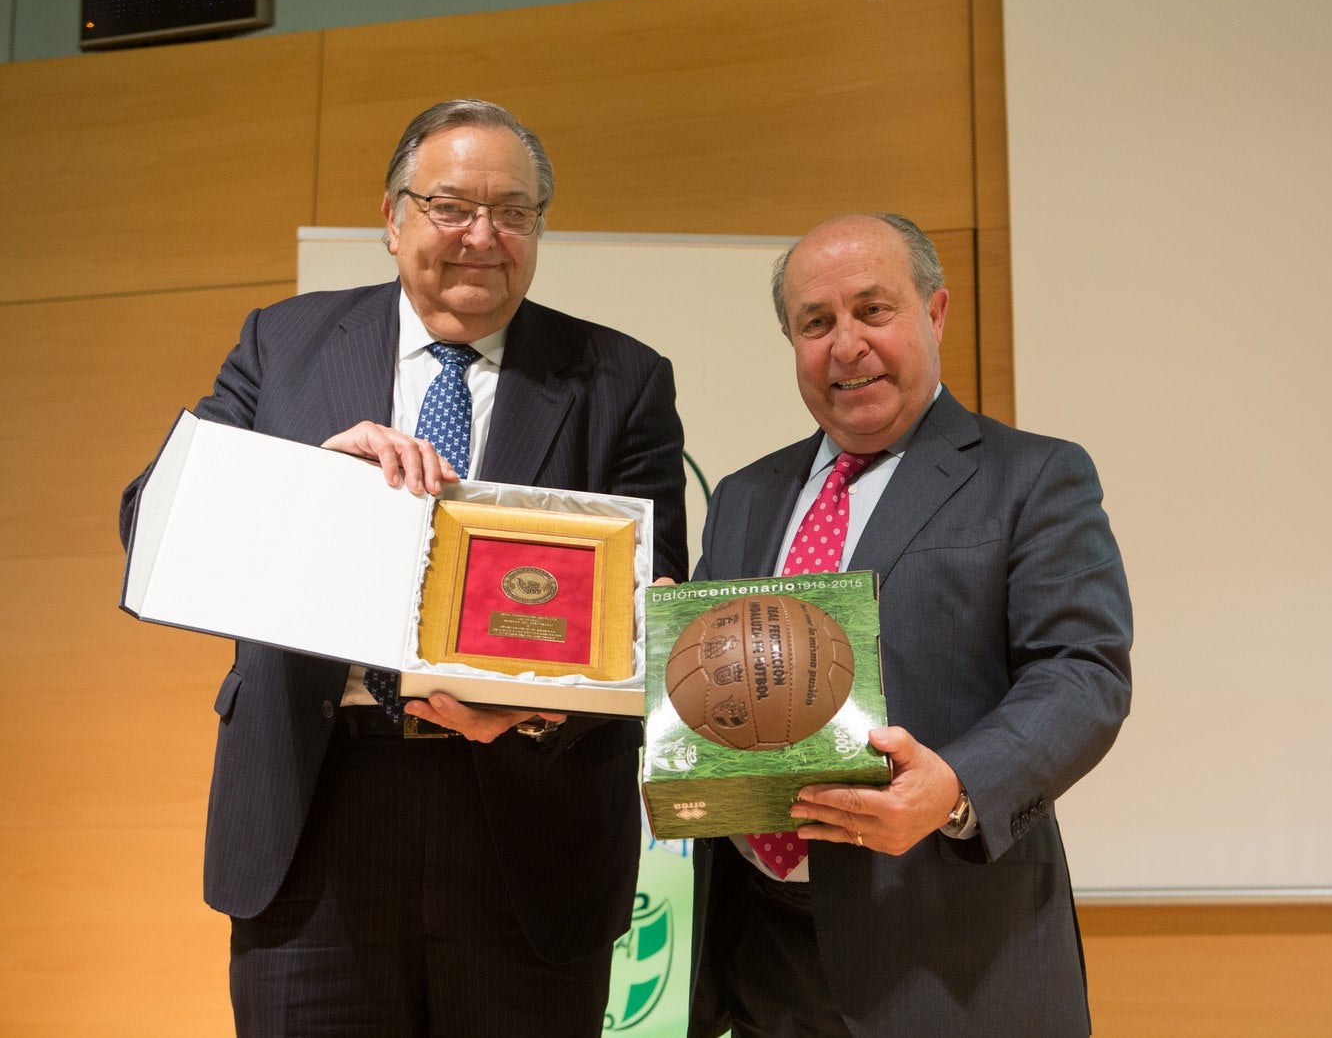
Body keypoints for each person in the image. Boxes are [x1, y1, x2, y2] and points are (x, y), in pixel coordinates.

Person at [118, 99, 688, 1035]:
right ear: (391, 219)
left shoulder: (620, 378)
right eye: (450, 206)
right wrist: (308, 484)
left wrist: (534, 705)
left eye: (514, 211)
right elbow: (151, 521)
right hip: (315, 808)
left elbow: (651, 598)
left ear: (539, 228)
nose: (483, 236)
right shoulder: (284, 343)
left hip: (530, 818)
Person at [686, 213, 1132, 1036]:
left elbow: (1082, 673)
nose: (844, 344)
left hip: (952, 958)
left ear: (935, 313)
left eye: (872, 309)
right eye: (815, 323)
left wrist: (954, 788)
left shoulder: (1033, 475)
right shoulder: (747, 494)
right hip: (762, 956)